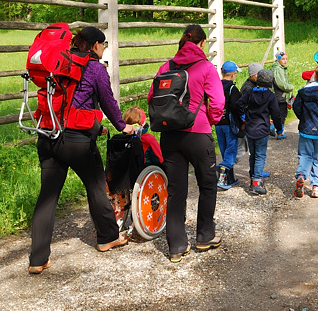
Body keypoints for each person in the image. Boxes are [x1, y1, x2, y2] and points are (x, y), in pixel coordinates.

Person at [29, 26, 134, 275]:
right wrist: (123, 126)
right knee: (96, 187)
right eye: (104, 44)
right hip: (76, 141)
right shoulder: (95, 67)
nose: (104, 49)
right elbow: (107, 101)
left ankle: (37, 259)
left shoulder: (59, 63)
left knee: (48, 197)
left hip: (47, 134)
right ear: (97, 45)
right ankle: (108, 237)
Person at [150, 24, 225, 263]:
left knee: (176, 190)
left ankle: (177, 246)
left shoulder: (166, 66)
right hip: (197, 132)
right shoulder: (205, 67)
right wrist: (210, 121)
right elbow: (218, 101)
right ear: (202, 43)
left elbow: (153, 98)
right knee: (207, 184)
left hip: (169, 135)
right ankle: (204, 236)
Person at [238, 69, 283, 195]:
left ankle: (253, 177)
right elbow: (276, 113)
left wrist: (243, 117)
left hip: (250, 128)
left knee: (253, 155)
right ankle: (257, 182)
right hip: (262, 129)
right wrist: (279, 129)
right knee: (260, 155)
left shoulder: (250, 92)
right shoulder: (270, 95)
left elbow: (239, 103)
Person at [292, 64, 318, 198]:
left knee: (304, 155)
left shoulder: (303, 91)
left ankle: (301, 175)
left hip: (305, 129)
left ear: (314, 75)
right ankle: (316, 187)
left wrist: (303, 118)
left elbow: (296, 107)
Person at [216, 60, 242, 190]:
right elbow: (237, 107)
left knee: (224, 150)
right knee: (231, 152)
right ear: (232, 75)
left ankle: (229, 179)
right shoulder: (233, 89)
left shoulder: (216, 86)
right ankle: (222, 178)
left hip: (218, 123)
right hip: (229, 125)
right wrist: (242, 121)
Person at [271, 51, 294, 139]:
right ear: (278, 59)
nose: (285, 61)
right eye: (283, 59)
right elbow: (280, 83)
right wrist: (290, 87)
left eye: (286, 59)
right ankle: (276, 130)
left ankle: (277, 129)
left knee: (280, 113)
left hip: (279, 95)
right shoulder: (278, 69)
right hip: (280, 95)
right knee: (282, 114)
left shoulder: (279, 68)